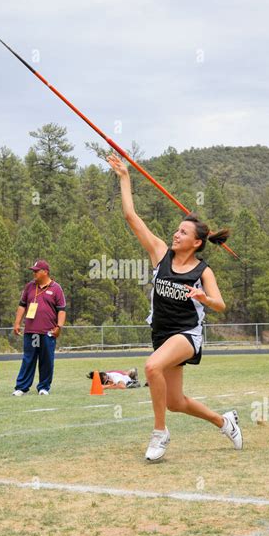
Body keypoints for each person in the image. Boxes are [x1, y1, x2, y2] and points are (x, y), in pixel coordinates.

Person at [107, 153, 242, 461]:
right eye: (177, 230)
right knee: (175, 402)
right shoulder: (160, 254)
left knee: (152, 366)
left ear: (196, 242)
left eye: (183, 232)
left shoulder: (202, 271)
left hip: (186, 334)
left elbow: (220, 304)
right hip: (162, 332)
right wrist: (125, 177)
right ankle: (225, 422)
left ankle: (159, 434)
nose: (175, 234)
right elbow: (132, 217)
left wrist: (204, 298)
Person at [12, 259, 66, 396]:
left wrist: (59, 326)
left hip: (48, 332)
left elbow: (61, 310)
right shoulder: (29, 286)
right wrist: (17, 323)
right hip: (31, 332)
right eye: (33, 271)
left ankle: (44, 387)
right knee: (28, 359)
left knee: (46, 360)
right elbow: (22, 305)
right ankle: (21, 387)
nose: (34, 273)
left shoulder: (56, 288)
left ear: (45, 272)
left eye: (36, 271)